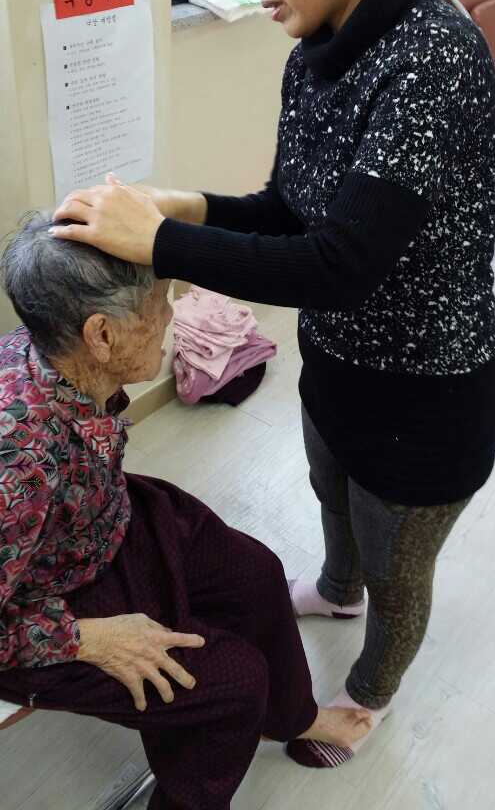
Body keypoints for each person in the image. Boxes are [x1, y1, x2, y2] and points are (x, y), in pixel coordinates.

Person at [51, 0, 495, 770]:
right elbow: (293, 212)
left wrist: (161, 244)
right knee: (331, 491)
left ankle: (370, 691)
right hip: (338, 361)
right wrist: (190, 208)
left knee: (398, 565)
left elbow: (339, 264)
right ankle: (336, 588)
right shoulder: (315, 54)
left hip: (429, 395)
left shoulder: (433, 62)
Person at [0, 213, 372, 810]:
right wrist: (86, 638)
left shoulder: (49, 341)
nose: (171, 315)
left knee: (256, 573)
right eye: (160, 304)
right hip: (45, 606)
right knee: (232, 687)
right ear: (101, 334)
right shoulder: (17, 466)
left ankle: (292, 717)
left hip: (97, 516)